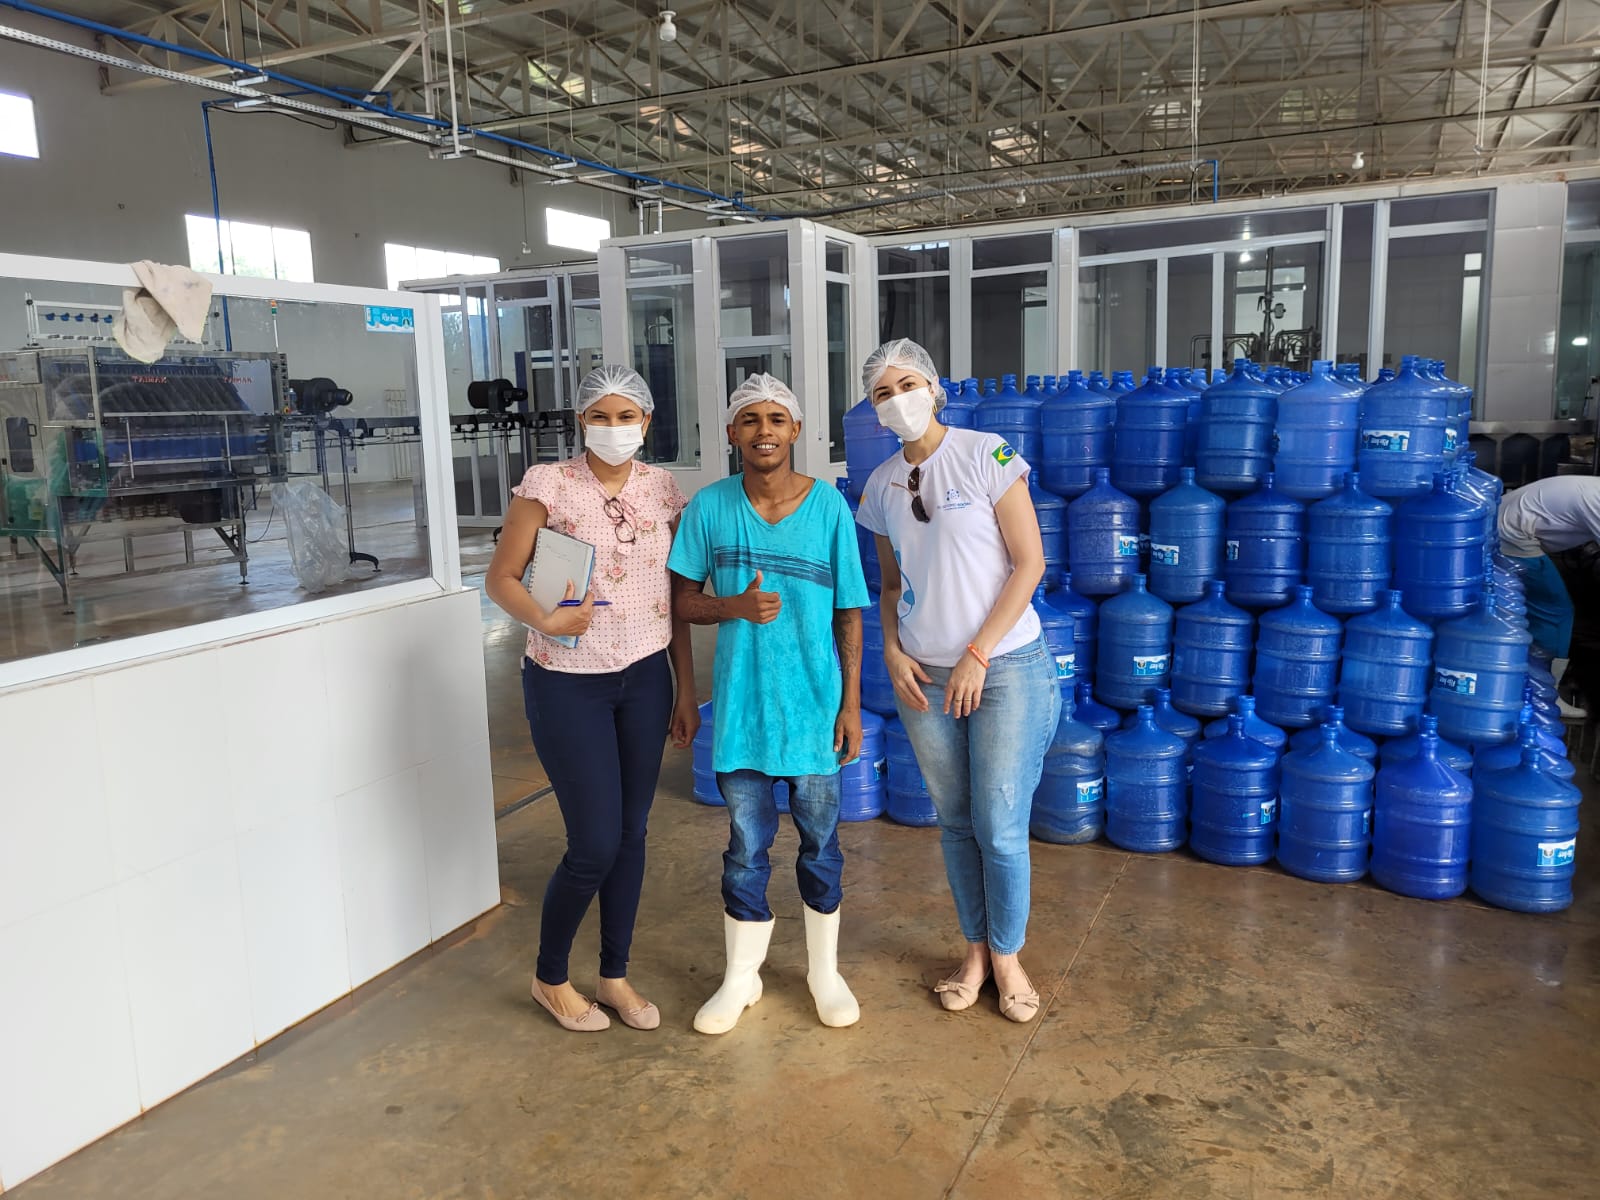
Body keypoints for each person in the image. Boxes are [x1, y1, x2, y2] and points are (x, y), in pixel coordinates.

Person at [484, 364, 699, 1033]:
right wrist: (545, 620)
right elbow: (502, 577)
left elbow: (677, 596)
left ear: (647, 421)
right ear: (581, 420)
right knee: (594, 842)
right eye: (600, 416)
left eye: (626, 416)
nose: (613, 428)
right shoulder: (548, 485)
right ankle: (550, 977)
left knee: (632, 834)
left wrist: (686, 690)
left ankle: (613, 975)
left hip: (645, 677)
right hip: (567, 681)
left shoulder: (662, 489)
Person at [855, 338, 1060, 1023]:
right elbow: (889, 585)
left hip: (1004, 668)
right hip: (924, 676)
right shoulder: (880, 486)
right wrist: (891, 650)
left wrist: (978, 652)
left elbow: (1030, 563)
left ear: (934, 388)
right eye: (883, 393)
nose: (898, 400)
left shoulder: (986, 455)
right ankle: (974, 951)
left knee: (998, 824)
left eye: (907, 385)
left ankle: (1007, 956)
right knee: (955, 821)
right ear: (873, 409)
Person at [668, 373, 870, 1035]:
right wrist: (732, 607)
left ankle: (823, 973)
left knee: (821, 848)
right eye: (750, 420)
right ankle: (740, 977)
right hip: (744, 716)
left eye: (776, 419)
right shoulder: (710, 508)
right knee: (745, 851)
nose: (764, 431)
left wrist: (850, 705)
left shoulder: (829, 508)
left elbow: (849, 612)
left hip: (814, 714)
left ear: (796, 430)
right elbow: (680, 602)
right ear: (732, 432)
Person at [1499, 474, 1600, 718]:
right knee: (1555, 611)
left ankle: (1528, 685)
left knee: (1535, 609)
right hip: (1512, 534)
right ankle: (1544, 696)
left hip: (1507, 523)